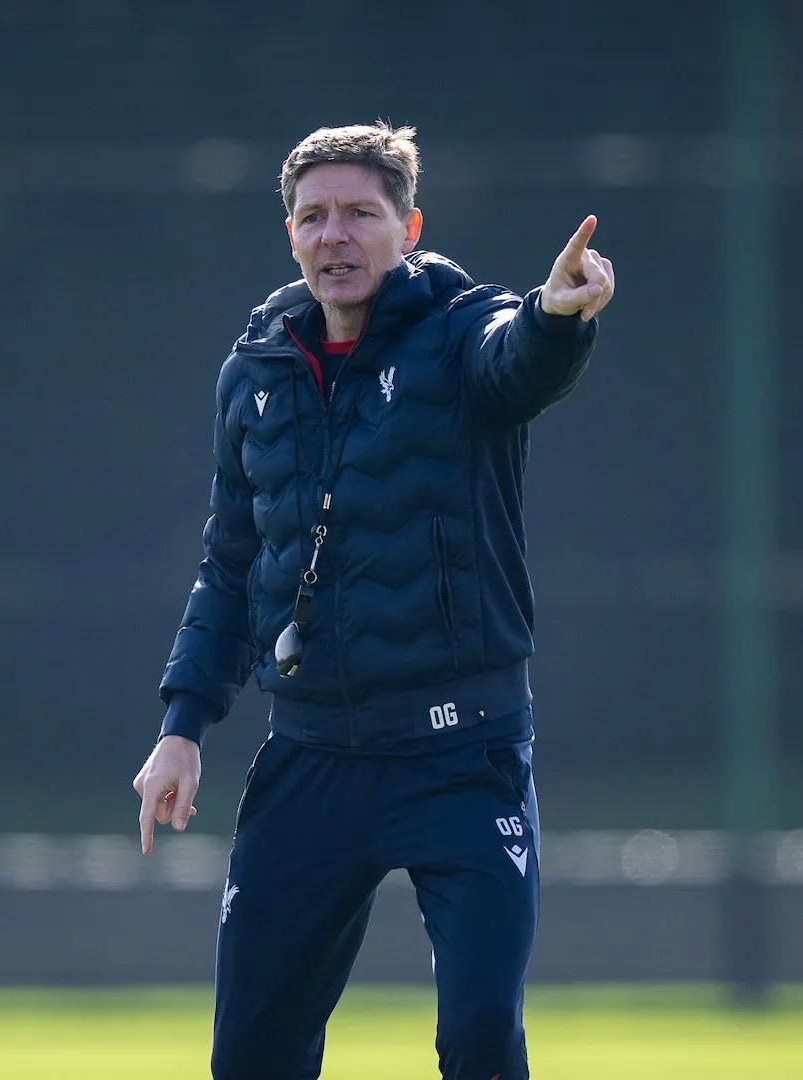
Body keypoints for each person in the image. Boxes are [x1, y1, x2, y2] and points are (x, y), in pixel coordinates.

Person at [132, 122, 614, 1080]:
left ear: (409, 228)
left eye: (360, 213)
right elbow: (232, 565)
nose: (335, 236)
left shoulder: (462, 329)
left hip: (463, 757)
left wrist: (558, 317)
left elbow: (516, 359)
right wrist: (182, 726)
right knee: (251, 1056)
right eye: (314, 217)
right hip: (313, 755)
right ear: (290, 235)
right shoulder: (256, 370)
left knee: (481, 1033)